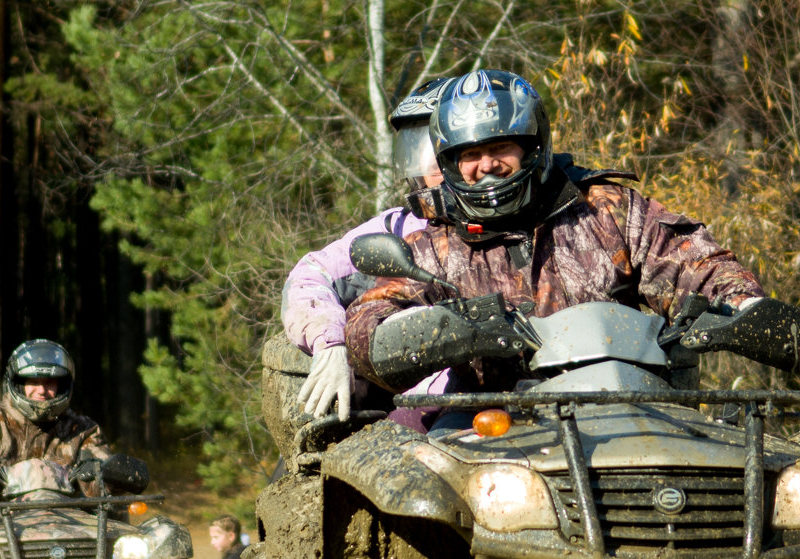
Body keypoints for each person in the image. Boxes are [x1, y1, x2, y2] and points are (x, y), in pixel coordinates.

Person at [344, 69, 765, 397]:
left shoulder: (607, 210)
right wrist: (438, 330)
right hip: (490, 425)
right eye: (470, 154)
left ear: (533, 146)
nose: (486, 164)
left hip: (630, 407)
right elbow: (370, 321)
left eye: (500, 147)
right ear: (450, 163)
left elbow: (692, 263)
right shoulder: (436, 247)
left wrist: (743, 306)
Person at [281, 77, 454, 424]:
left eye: (437, 155)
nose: (430, 171)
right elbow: (311, 274)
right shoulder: (399, 227)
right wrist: (330, 344)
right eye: (422, 156)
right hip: (427, 404)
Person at [0, 339, 112, 500]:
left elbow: (109, 480)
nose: (41, 390)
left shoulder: (83, 430)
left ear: (61, 386)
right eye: (33, 381)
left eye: (49, 383)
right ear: (18, 384)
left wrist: (105, 475)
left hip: (70, 523)